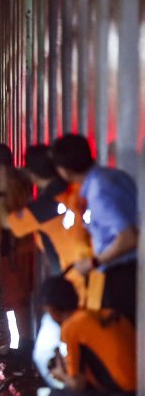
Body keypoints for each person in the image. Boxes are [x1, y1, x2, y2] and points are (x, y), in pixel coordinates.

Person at [2, 145, 95, 382]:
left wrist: (3, 187)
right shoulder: (73, 193)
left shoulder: (45, 206)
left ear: (31, 174)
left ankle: (67, 394)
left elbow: (8, 222)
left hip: (72, 283)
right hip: (90, 275)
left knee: (46, 352)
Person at [51, 134, 139, 323]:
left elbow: (128, 237)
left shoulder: (98, 191)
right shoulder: (114, 176)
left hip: (123, 273)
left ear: (64, 170)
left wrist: (93, 263)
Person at [40, 276, 135, 396]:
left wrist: (60, 375)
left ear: (51, 309)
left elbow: (77, 385)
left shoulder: (71, 327)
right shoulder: (103, 313)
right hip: (138, 391)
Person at [0, 143, 35, 358]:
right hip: (23, 246)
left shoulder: (6, 185)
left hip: (15, 249)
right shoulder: (20, 180)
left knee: (13, 300)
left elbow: (7, 221)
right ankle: (23, 342)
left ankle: (19, 345)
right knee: (20, 299)